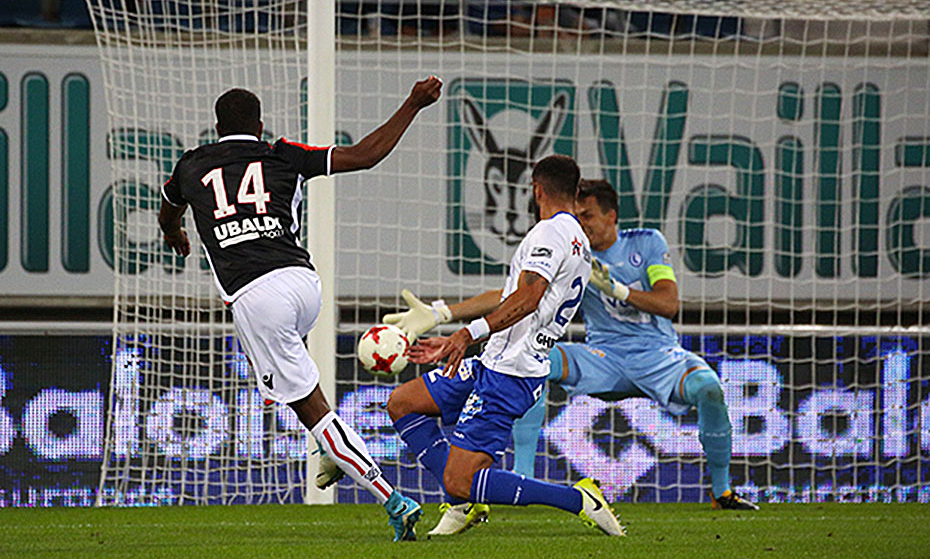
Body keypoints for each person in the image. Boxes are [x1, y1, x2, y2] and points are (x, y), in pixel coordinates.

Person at [158, 77, 442, 541]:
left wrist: (174, 234)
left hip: (257, 297)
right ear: (260, 127)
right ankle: (333, 447)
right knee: (304, 391)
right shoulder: (282, 155)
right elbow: (366, 155)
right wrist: (412, 103)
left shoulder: (191, 166)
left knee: (313, 412)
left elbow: (168, 208)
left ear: (217, 128)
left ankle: (392, 498)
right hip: (304, 285)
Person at [428, 178, 758, 534]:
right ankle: (523, 473)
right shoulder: (576, 250)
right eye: (578, 214)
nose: (581, 222)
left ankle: (722, 491)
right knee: (533, 361)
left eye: (588, 215)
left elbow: (669, 303)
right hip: (602, 357)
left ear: (611, 216)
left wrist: (617, 289)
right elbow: (512, 295)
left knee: (708, 388)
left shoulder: (647, 242)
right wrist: (442, 314)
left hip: (659, 356)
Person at [379, 155, 626, 538]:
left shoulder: (549, 233)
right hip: (495, 363)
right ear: (576, 192)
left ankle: (577, 499)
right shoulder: (576, 239)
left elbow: (528, 298)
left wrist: (468, 333)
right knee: (403, 402)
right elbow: (511, 295)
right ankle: (464, 501)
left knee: (460, 480)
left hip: (510, 373)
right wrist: (442, 314)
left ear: (536, 190)